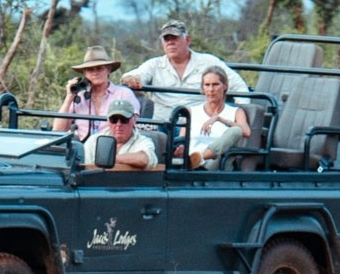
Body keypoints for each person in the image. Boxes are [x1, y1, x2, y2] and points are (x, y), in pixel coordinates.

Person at [120, 19, 249, 121]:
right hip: (163, 125)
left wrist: (238, 117)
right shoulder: (154, 65)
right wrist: (131, 79)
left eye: (174, 38)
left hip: (198, 125)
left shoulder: (209, 62)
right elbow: (134, 75)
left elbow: (238, 86)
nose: (170, 42)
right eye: (166, 39)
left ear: (187, 40)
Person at [53, 45, 142, 141]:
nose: (95, 73)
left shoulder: (124, 94)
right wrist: (69, 97)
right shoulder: (79, 97)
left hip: (113, 147)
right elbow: (58, 130)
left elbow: (131, 127)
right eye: (90, 69)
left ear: (108, 70)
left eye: (99, 68)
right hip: (81, 150)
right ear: (84, 73)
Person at [185, 65, 251, 170]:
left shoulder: (236, 112)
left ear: (224, 86)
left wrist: (220, 119)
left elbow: (246, 132)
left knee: (236, 130)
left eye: (215, 84)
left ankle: (200, 158)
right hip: (189, 162)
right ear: (203, 88)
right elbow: (182, 140)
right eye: (207, 85)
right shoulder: (191, 111)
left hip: (218, 164)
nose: (211, 89)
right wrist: (179, 150)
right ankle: (195, 160)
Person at [84, 97, 157, 170]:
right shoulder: (93, 141)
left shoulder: (143, 141)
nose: (118, 124)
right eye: (114, 120)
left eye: (124, 119)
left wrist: (110, 158)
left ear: (134, 120)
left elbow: (144, 159)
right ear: (108, 121)